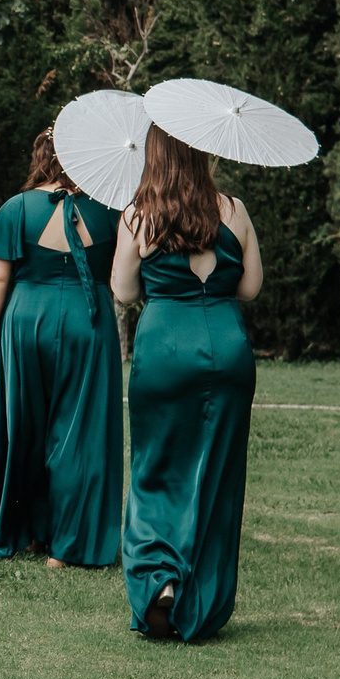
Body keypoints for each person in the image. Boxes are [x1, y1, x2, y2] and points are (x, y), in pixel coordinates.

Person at [110, 125, 263, 641]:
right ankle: (201, 597)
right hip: (227, 346)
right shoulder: (235, 210)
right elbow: (250, 287)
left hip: (165, 350)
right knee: (216, 475)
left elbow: (123, 290)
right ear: (201, 155)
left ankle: (161, 583)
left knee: (156, 467)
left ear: (154, 156)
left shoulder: (139, 215)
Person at [0, 127, 124, 568]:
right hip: (88, 317)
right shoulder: (111, 212)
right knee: (80, 429)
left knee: (25, 425)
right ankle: (67, 544)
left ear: (40, 157)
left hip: (26, 318)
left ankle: (24, 531)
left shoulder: (17, 208)